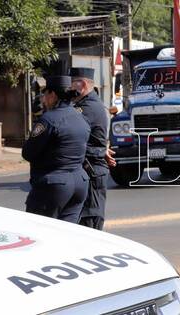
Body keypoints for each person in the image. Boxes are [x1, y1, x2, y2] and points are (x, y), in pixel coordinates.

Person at [22, 76, 90, 223]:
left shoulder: (48, 119)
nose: (43, 99)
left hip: (54, 184)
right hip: (80, 182)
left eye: (45, 95)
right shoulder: (80, 117)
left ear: (53, 95)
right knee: (67, 233)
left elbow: (28, 153)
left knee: (39, 230)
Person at [69, 67, 116, 230]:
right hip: (90, 168)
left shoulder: (88, 108)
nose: (69, 89)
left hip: (92, 170)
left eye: (72, 84)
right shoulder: (84, 104)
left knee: (89, 222)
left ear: (81, 84)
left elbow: (71, 138)